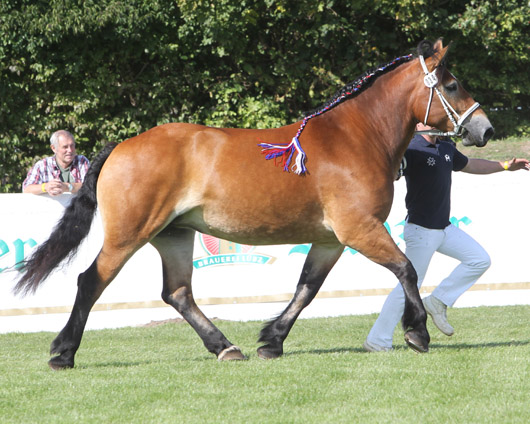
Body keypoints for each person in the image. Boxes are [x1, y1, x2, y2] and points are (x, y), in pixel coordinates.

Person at [364, 123, 530, 352]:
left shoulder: (446, 147)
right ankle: (377, 340)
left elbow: (470, 164)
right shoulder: (412, 148)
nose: (438, 122)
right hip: (421, 232)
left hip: (444, 228)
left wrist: (503, 166)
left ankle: (437, 301)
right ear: (420, 123)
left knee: (479, 259)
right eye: (432, 120)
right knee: (409, 286)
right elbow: (390, 172)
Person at [22, 130, 90, 196]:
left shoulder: (81, 161)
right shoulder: (43, 165)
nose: (70, 150)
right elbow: (26, 189)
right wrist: (46, 187)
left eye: (72, 146)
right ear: (53, 148)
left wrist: (67, 187)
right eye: (65, 147)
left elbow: (90, 186)